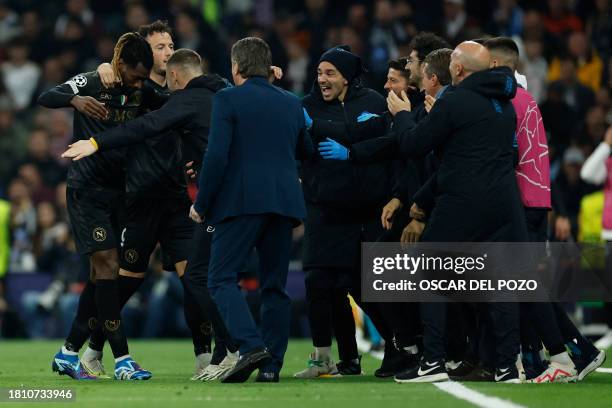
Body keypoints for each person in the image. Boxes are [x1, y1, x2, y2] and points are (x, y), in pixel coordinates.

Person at [86, 21, 235, 381]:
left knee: (193, 277)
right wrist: (103, 67)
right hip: (141, 197)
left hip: (177, 198)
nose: (167, 52)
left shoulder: (182, 91)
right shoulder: (135, 90)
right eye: (159, 47)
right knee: (129, 280)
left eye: (171, 46)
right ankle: (90, 347)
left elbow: (211, 89)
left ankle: (205, 355)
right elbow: (108, 87)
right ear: (142, 54)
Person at [388, 41, 526, 383]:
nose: (449, 63)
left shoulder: (455, 100)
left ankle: (433, 361)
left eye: (452, 59)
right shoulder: (503, 105)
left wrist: (403, 115)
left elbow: (415, 144)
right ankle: (507, 366)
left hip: (464, 201)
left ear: (460, 69)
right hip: (504, 202)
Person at [189, 37, 310, 383]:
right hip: (284, 203)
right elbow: (306, 148)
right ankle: (271, 367)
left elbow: (216, 156)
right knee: (275, 286)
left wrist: (202, 202)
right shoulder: (291, 101)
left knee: (220, 277)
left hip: (241, 202)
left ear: (236, 67)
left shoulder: (228, 98)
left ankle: (250, 345)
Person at [38, 32, 154, 381]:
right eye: (135, 76)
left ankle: (68, 352)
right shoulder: (91, 81)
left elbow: (174, 98)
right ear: (121, 66)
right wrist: (75, 101)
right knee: (106, 266)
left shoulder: (142, 89)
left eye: (144, 79)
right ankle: (122, 359)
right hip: (86, 190)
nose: (139, 85)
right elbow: (48, 95)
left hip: (119, 192)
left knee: (102, 277)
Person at [296, 45, 393, 379]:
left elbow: (384, 145)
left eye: (330, 73)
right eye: (319, 73)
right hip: (322, 210)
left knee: (362, 287)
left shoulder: (374, 104)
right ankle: (332, 358)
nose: (322, 79)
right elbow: (297, 148)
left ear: (348, 77)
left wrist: (330, 132)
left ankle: (398, 345)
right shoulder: (305, 106)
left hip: (365, 213)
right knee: (319, 282)